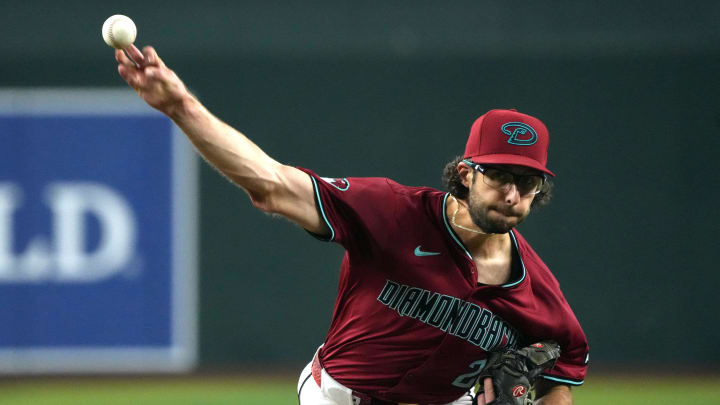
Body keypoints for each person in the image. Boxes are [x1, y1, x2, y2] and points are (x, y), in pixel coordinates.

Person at [114, 45, 589, 405]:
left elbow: (559, 381)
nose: (511, 194)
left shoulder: (540, 296)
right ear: (466, 174)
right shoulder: (393, 213)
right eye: (500, 175)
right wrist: (181, 106)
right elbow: (273, 185)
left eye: (527, 183)